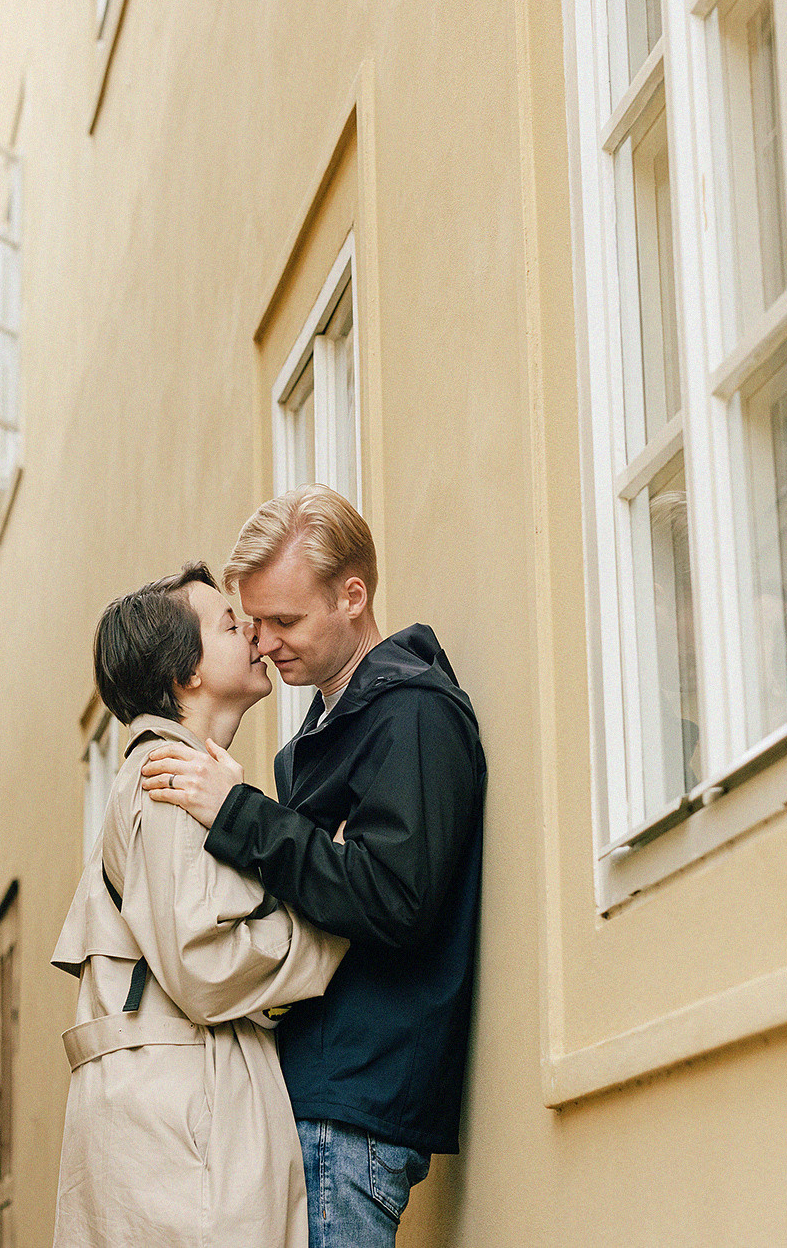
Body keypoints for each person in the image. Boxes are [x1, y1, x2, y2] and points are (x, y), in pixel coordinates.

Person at [142, 486, 486, 1248]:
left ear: (352, 596)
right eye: (253, 621)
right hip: (315, 1095)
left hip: (353, 1107)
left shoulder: (414, 713)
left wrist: (239, 813)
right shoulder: (317, 736)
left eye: (284, 621)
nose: (262, 642)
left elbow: (395, 898)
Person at [52, 563, 348, 1248]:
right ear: (187, 671)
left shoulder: (178, 776)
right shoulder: (169, 783)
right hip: (184, 1130)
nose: (250, 630)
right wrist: (337, 908)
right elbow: (205, 967)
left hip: (173, 1119)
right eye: (227, 622)